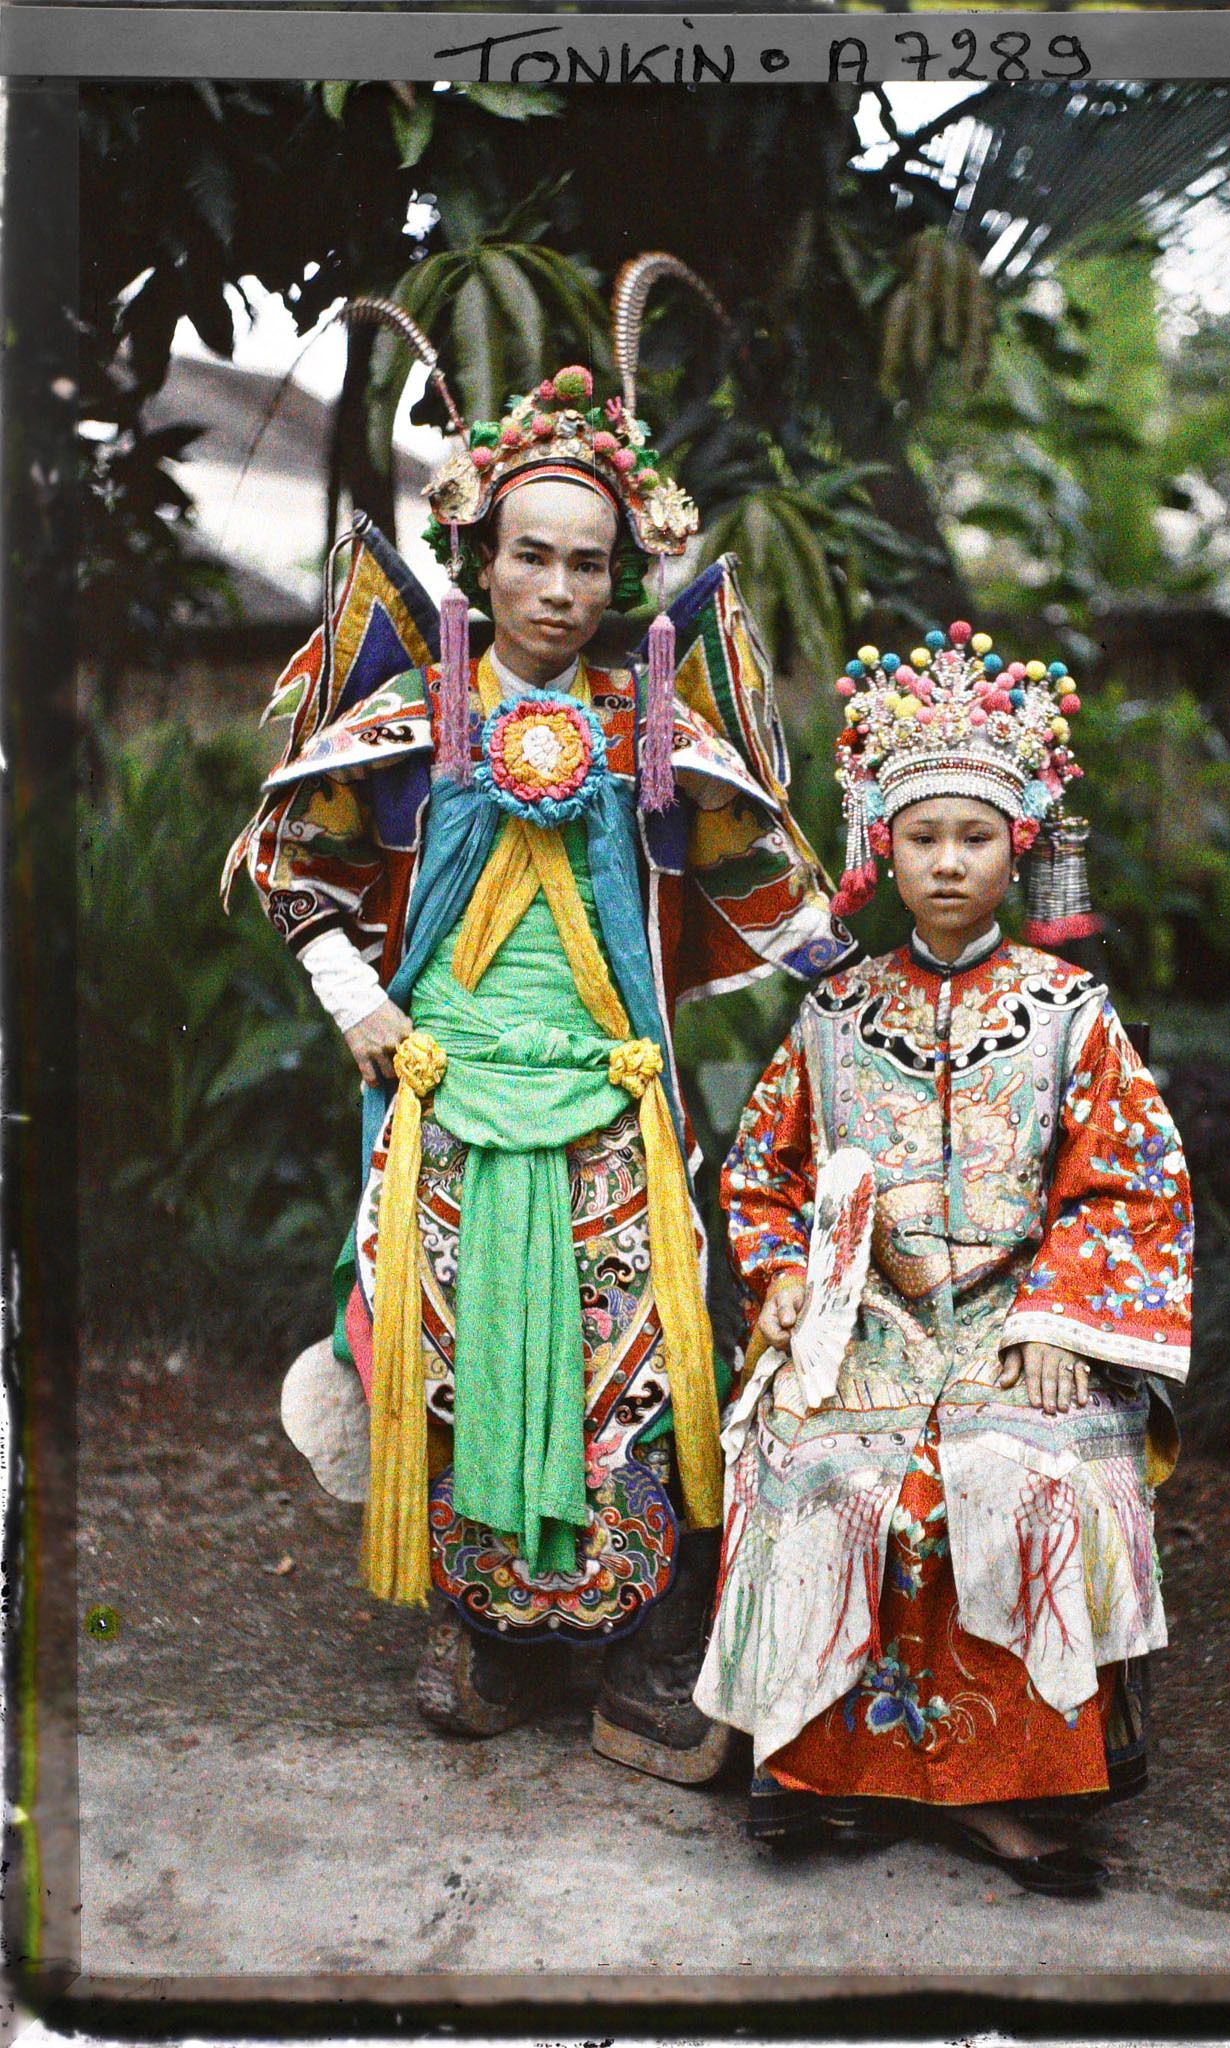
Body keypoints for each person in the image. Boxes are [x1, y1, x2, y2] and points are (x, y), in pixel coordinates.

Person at [228, 356, 850, 1783]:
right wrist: (354, 1003)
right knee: (448, 1359)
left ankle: (635, 1644)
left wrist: (858, 975)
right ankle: (475, 1633)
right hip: (444, 1095)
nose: (561, 590)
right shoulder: (403, 724)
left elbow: (757, 870)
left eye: (589, 564)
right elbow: (298, 864)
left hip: (611, 1101)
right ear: (480, 559)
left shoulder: (653, 728)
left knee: (627, 1364)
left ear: (621, 576)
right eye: (532, 558)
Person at [695, 624, 1193, 1891]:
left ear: (1019, 842)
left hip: (1019, 1315)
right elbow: (758, 1172)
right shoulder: (832, 1009)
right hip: (865, 1310)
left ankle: (1011, 1792)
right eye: (923, 837)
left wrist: (1058, 1323)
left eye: (974, 835)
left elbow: (1127, 1183)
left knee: (1010, 1467)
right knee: (814, 1460)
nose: (949, 862)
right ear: (885, 848)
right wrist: (789, 1277)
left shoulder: (1071, 1012)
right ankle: (824, 1773)